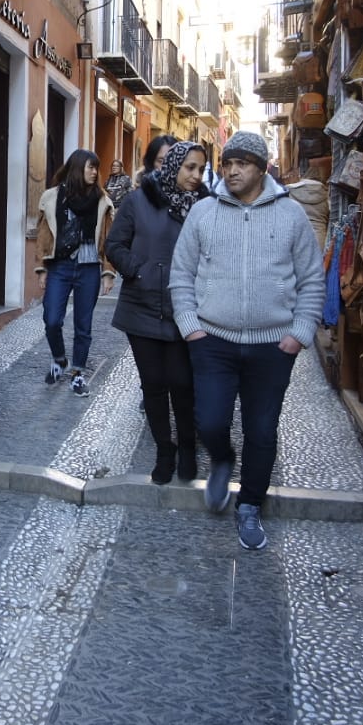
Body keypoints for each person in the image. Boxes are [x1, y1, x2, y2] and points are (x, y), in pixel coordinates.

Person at [170, 131, 324, 551]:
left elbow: (312, 279)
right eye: (227, 163)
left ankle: (250, 505)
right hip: (212, 340)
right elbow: (181, 274)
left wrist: (299, 333)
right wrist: (191, 327)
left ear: (262, 169)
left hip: (273, 347)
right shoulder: (203, 212)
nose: (232, 170)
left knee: (262, 429)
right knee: (210, 421)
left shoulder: (291, 215)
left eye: (243, 163)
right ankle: (222, 458)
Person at [107, 140, 209, 484]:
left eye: (201, 169)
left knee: (183, 383)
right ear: (173, 167)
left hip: (186, 310)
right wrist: (139, 271)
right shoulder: (139, 200)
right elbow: (114, 245)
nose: (195, 176)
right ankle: (165, 451)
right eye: (189, 168)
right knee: (153, 384)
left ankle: (188, 449)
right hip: (142, 307)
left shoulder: (207, 207)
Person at [34, 149, 116, 397]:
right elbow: (44, 234)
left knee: (83, 325)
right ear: (77, 168)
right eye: (90, 167)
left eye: (96, 168)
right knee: (52, 319)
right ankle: (59, 359)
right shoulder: (52, 197)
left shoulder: (102, 200)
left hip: (89, 267)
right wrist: (42, 268)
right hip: (60, 266)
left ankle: (78, 374)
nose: (94, 172)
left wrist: (108, 272)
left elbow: (108, 238)